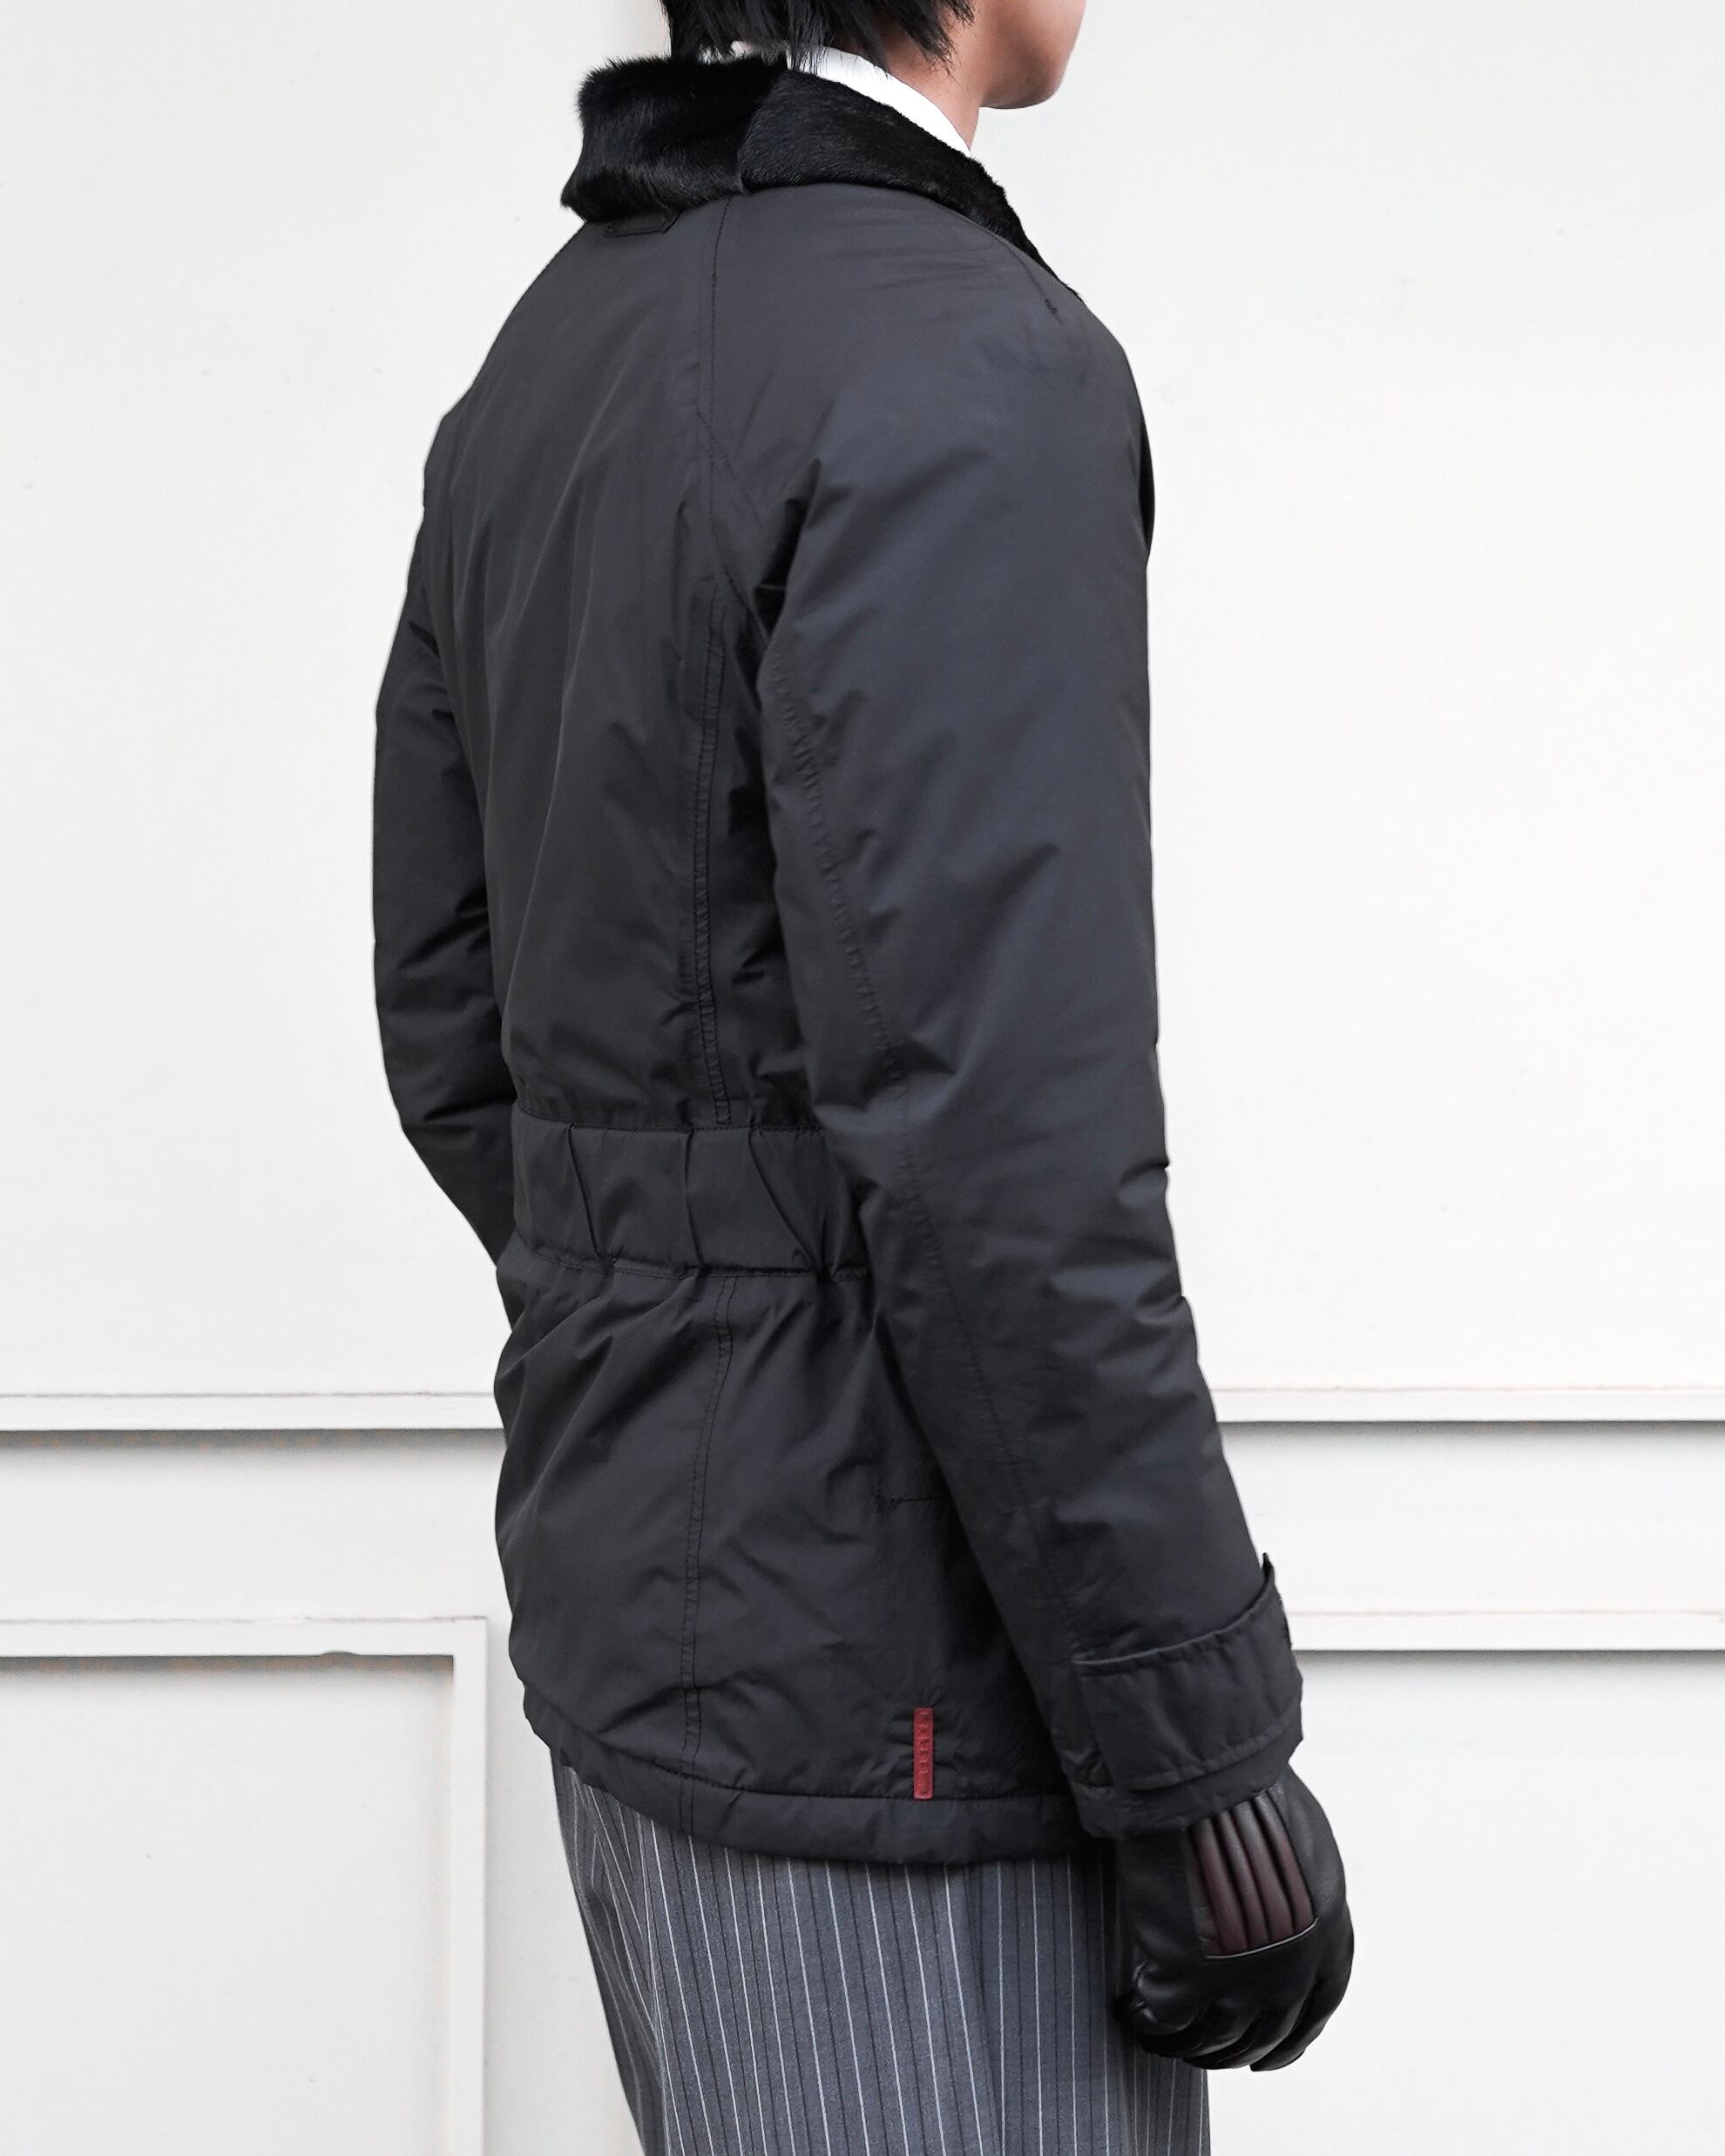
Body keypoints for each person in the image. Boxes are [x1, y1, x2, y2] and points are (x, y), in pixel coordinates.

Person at [372, 2, 1355, 2147]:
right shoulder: (972, 362)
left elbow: (451, 1012)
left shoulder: (546, 357)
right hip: (905, 1705)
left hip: (644, 1642)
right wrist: (1199, 1751)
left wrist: (688, 1324)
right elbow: (1005, 1153)